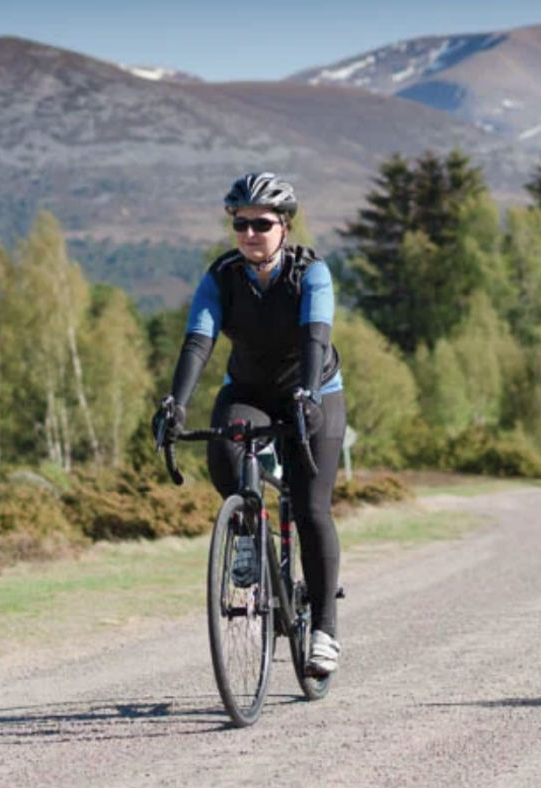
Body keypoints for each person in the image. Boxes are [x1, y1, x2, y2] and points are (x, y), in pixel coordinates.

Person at [153, 172, 346, 676]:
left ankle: (324, 630)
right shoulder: (222, 277)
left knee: (310, 506)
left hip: (314, 390)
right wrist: (176, 403)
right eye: (240, 224)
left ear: (284, 227)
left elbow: (315, 338)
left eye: (261, 223)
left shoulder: (311, 274)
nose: (250, 233)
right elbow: (198, 341)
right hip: (250, 390)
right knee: (223, 451)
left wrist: (308, 394)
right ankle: (245, 533)